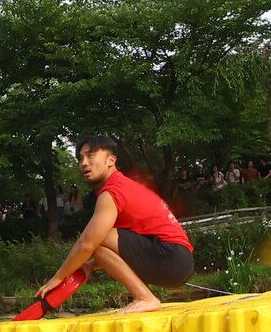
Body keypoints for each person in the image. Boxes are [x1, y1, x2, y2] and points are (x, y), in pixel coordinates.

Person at [37, 135, 194, 315]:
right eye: (81, 158)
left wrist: (57, 278)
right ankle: (144, 297)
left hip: (171, 257)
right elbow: (118, 248)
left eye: (90, 155)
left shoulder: (113, 192)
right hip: (178, 260)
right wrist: (90, 265)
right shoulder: (122, 185)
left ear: (111, 160)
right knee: (99, 243)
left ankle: (145, 298)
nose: (84, 163)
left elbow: (87, 243)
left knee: (97, 239)